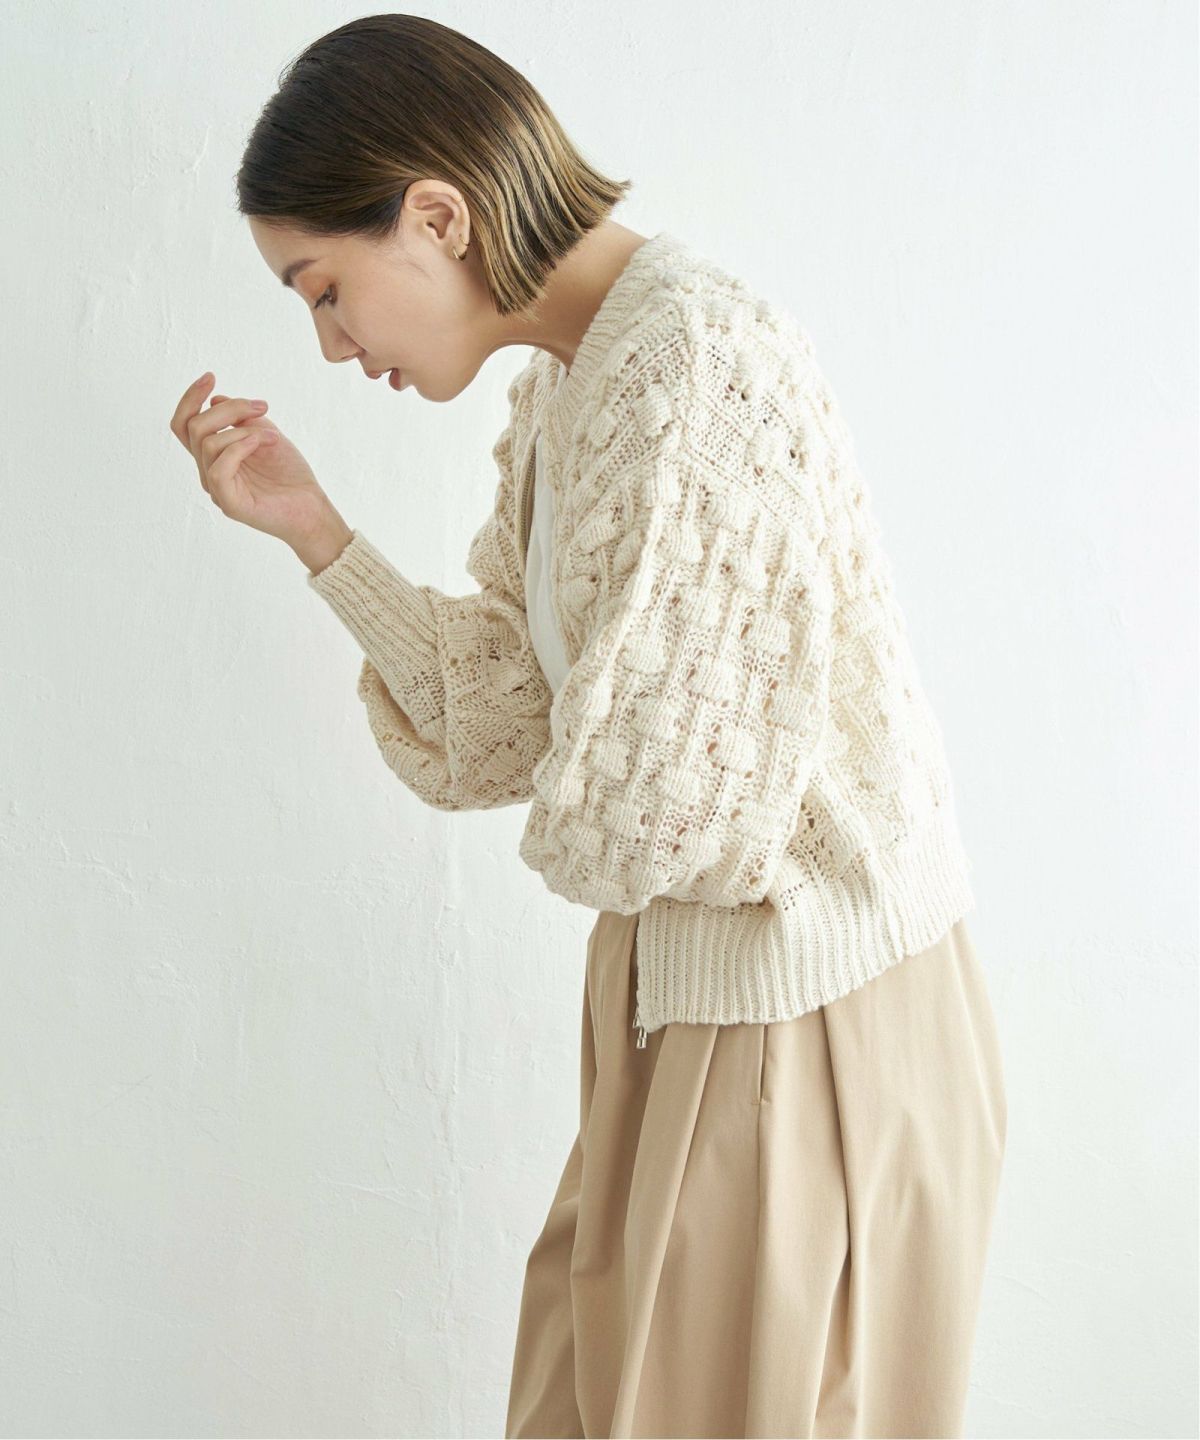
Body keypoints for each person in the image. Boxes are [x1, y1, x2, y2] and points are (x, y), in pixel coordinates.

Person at [169, 15, 1007, 1437]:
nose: (330, 344)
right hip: (694, 1000)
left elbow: (663, 817)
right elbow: (518, 727)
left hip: (801, 1013)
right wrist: (318, 534)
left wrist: (584, 792)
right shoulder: (576, 380)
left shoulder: (693, 363)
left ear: (437, 215)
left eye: (327, 290)